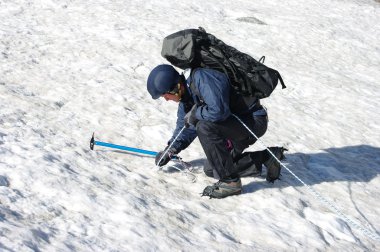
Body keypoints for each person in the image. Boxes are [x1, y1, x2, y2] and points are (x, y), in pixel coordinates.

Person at [147, 64, 286, 199]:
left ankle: (231, 182)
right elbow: (185, 127)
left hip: (252, 121)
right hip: (233, 127)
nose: (165, 99)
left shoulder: (203, 78)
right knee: (212, 169)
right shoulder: (186, 97)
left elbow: (218, 111)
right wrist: (171, 149)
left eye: (165, 95)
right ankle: (266, 158)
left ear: (175, 87)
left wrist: (196, 114)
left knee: (204, 127)